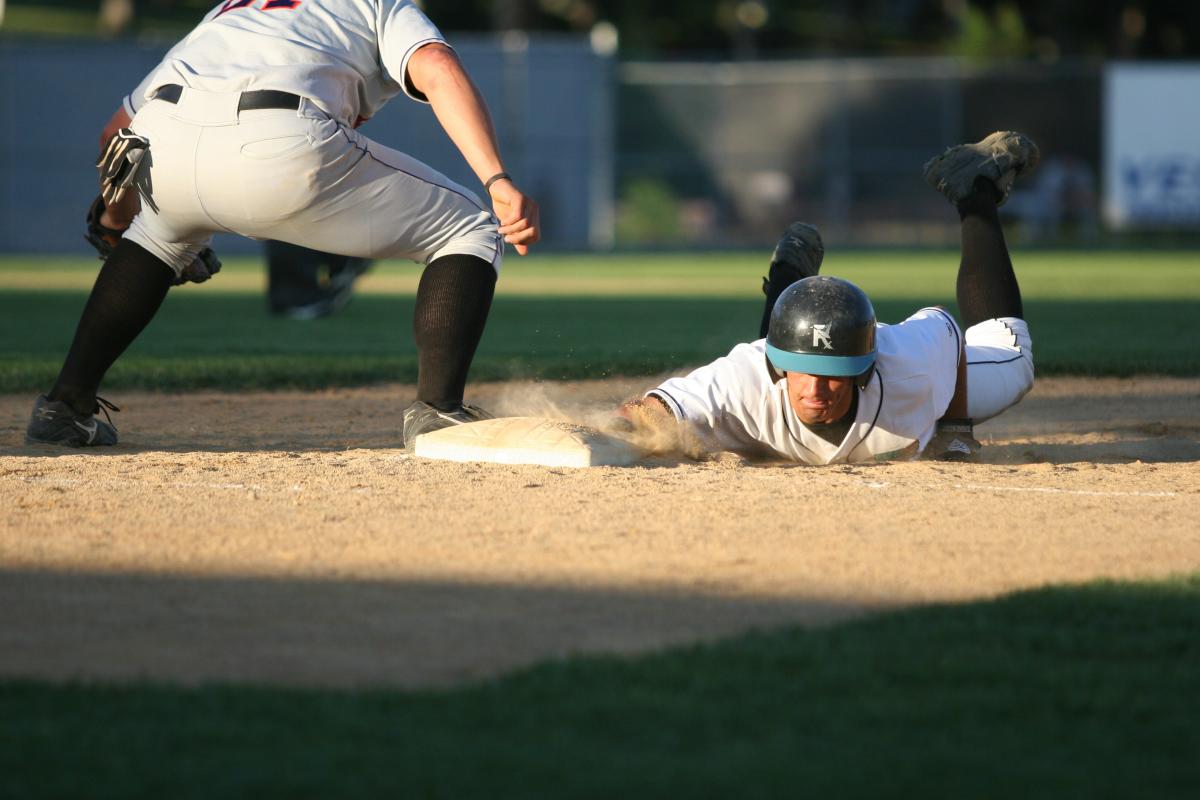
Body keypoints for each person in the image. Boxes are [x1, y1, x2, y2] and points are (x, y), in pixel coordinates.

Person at [25, 0, 538, 448]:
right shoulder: (378, 3)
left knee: (157, 238)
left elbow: (114, 136)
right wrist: (496, 178)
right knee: (469, 225)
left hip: (162, 141)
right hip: (280, 136)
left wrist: (117, 225)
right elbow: (437, 65)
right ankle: (438, 410)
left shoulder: (232, 9)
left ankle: (64, 406)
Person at [617, 131, 1039, 464]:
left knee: (1015, 365)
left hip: (904, 372)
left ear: (864, 370)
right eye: (802, 372)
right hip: (778, 370)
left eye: (835, 374)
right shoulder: (742, 377)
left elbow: (946, 331)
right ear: (777, 368)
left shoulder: (909, 371)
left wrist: (955, 427)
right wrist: (624, 432)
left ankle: (974, 187)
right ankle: (789, 277)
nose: (817, 390)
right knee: (791, 346)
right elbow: (653, 408)